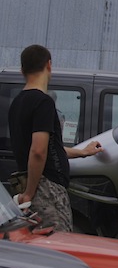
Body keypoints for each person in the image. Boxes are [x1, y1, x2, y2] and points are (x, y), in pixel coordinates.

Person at [7, 45, 104, 232]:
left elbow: (48, 147)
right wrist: (29, 193)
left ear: (22, 70)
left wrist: (83, 152)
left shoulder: (17, 103)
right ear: (49, 65)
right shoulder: (43, 102)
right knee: (56, 242)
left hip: (30, 183)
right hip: (46, 189)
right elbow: (38, 151)